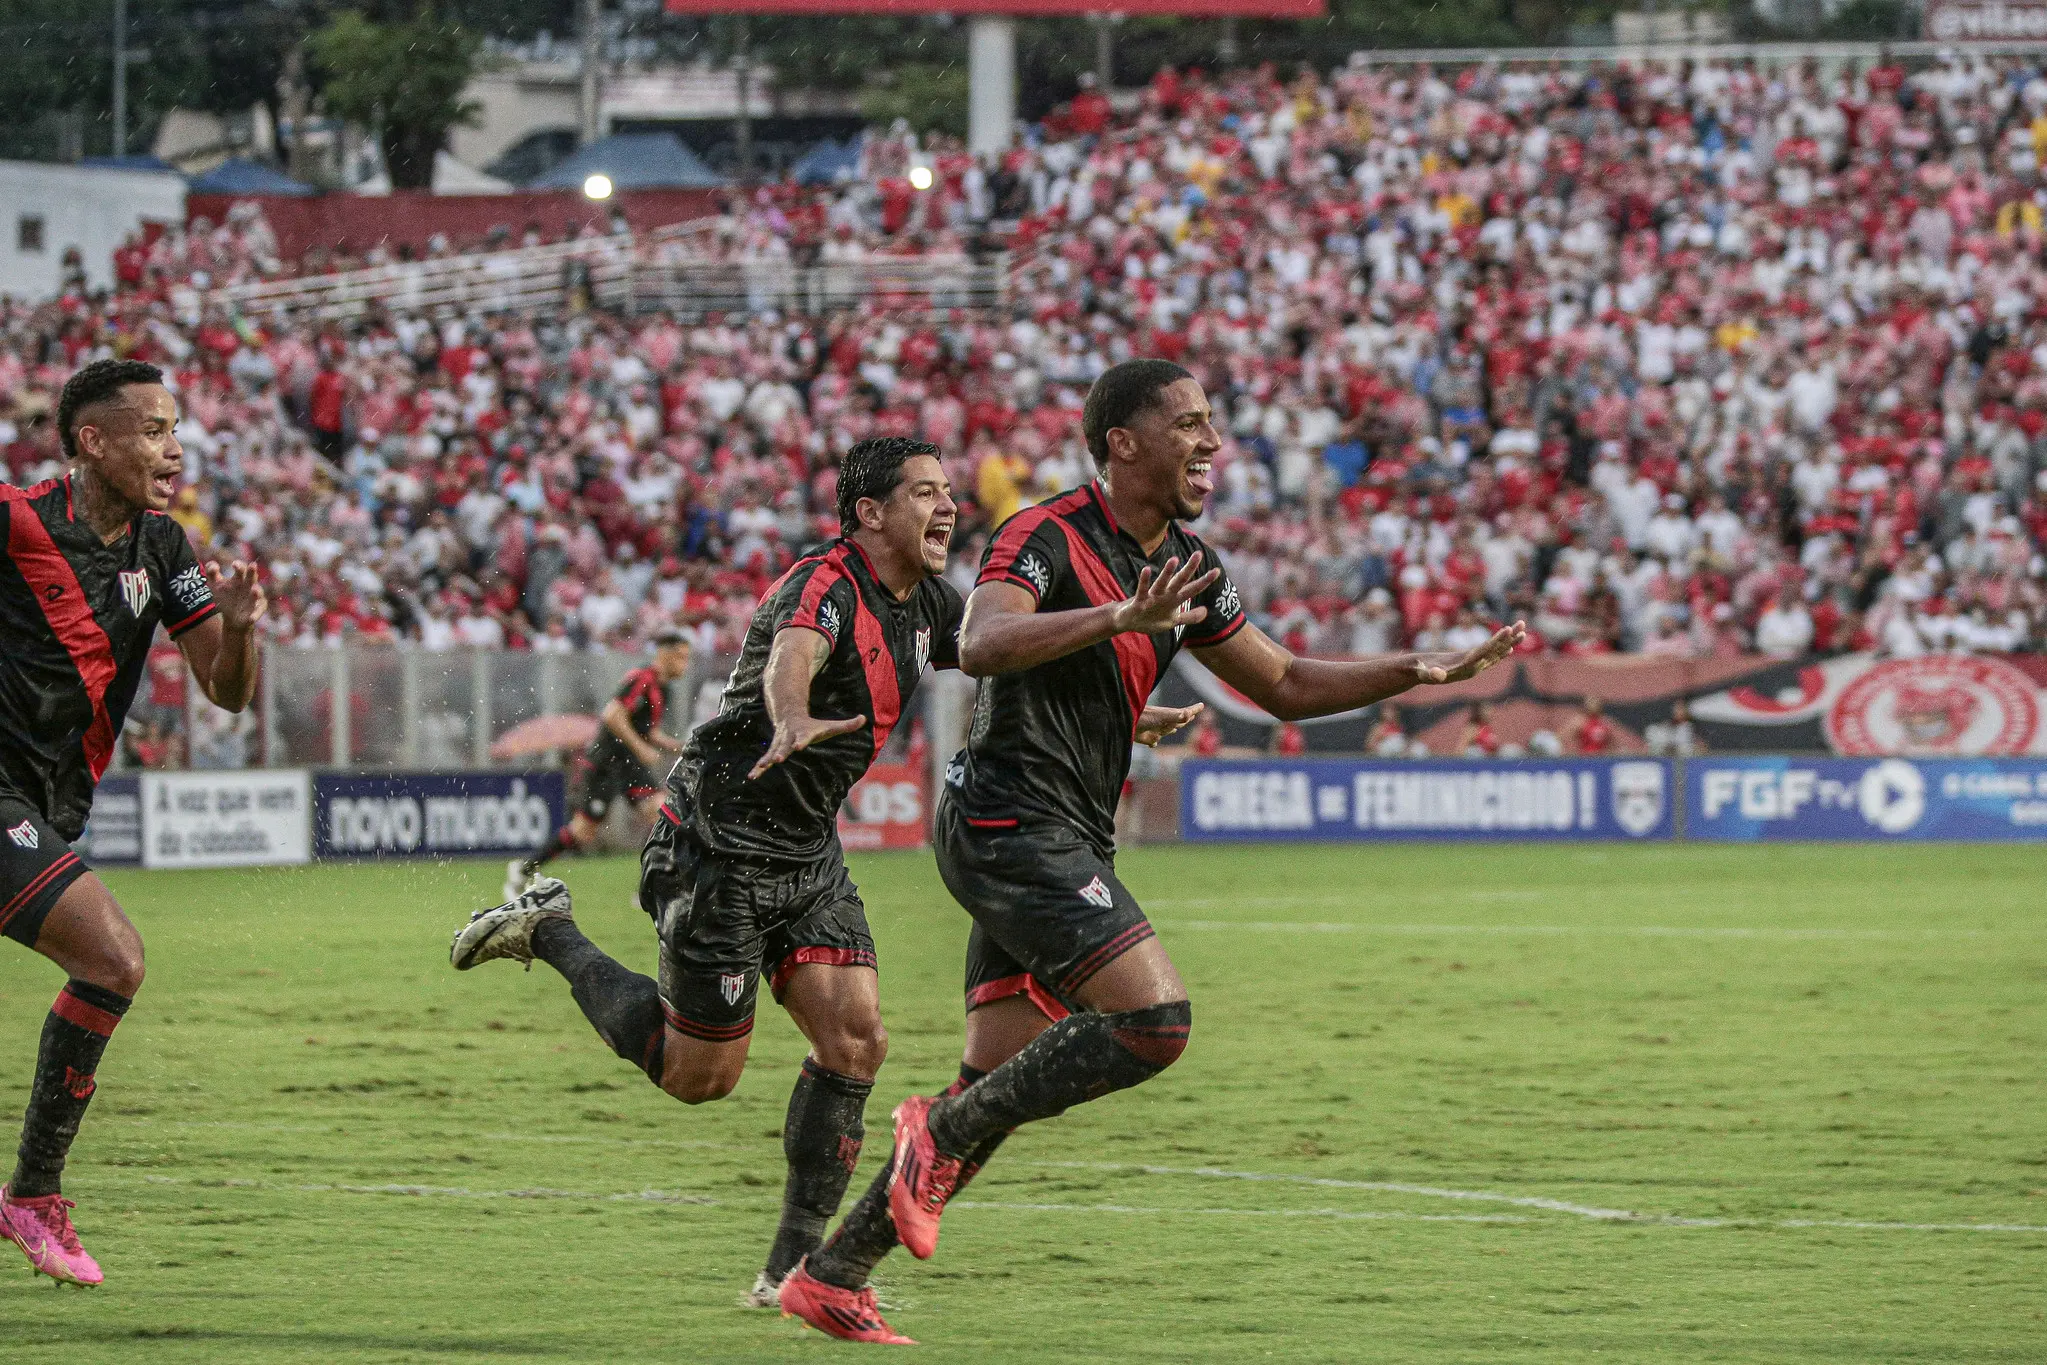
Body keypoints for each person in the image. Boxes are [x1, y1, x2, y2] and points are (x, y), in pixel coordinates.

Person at [779, 359, 1522, 1343]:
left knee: (993, 1076)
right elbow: (988, 639)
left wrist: (1414, 670)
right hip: (1005, 818)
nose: (1211, 442)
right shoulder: (1045, 535)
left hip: (1065, 829)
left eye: (1213, 424)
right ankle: (934, 1134)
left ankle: (833, 1272)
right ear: (1122, 441)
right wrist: (1117, 619)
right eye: (1189, 424)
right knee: (1153, 1021)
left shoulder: (1190, 565)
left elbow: (1288, 682)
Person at [450, 438, 965, 1309]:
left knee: (854, 1040)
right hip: (716, 845)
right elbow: (789, 656)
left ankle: (793, 1273)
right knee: (701, 1077)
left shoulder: (930, 603)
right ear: (871, 512)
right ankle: (549, 926)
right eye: (926, 492)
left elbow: (999, 645)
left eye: (949, 491)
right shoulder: (824, 583)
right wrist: (793, 714)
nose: (947, 506)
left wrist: (1108, 685)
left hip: (805, 852)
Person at [0, 359, 265, 1286]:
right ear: (92, 441)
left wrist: (241, 628)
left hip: (45, 804)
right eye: (152, 430)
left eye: (175, 427)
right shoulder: (17, 518)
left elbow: (226, 694)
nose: (174, 447)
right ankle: (32, 1198)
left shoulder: (167, 548)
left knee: (108, 962)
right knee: (112, 958)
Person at [504, 629, 694, 899]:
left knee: (662, 813)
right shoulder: (641, 679)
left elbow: (647, 731)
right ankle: (524, 869)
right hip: (607, 763)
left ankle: (651, 887)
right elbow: (613, 715)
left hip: (628, 765)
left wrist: (680, 746)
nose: (685, 664)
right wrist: (640, 748)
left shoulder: (664, 691)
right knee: (583, 832)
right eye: (681, 657)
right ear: (663, 656)